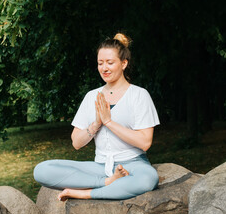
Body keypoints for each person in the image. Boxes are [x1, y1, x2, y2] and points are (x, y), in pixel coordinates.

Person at [33, 33, 160, 201]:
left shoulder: (139, 95)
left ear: (124, 63)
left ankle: (86, 193)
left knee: (149, 178)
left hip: (133, 165)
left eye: (110, 62)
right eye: (100, 63)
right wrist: (96, 124)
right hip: (99, 167)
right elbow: (76, 143)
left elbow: (145, 143)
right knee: (42, 170)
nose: (104, 68)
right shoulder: (92, 96)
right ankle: (108, 182)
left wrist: (109, 122)